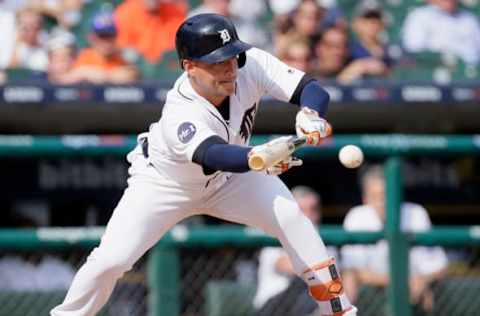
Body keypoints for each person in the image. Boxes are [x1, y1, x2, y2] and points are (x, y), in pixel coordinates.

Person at [51, 14, 357, 316]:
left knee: (291, 216)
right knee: (111, 261)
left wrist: (311, 114)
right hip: (165, 185)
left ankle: (339, 311)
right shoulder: (180, 110)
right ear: (189, 66)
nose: (228, 68)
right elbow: (213, 154)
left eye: (231, 57)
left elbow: (312, 89)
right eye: (216, 62)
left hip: (231, 178)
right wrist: (259, 155)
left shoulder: (249, 62)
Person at [341, 165, 448, 314]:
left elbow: (440, 267)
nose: (382, 202)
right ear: (365, 198)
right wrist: (400, 283)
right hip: (372, 293)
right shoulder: (356, 216)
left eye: (386, 195)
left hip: (415, 294)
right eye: (375, 197)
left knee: (431, 294)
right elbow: (352, 271)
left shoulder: (416, 213)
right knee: (349, 282)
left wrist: (422, 280)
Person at [254, 186, 339, 316]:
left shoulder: (325, 241)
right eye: (302, 210)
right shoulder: (276, 234)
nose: (309, 215)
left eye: (314, 209)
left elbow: (333, 276)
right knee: (307, 281)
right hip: (272, 308)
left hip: (309, 304)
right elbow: (285, 265)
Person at [402, 0, 480, 65]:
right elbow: (414, 48)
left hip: (467, 73)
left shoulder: (469, 19)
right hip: (431, 70)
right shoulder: (419, 15)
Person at [72, 11, 138, 84]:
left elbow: (132, 74)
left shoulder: (120, 58)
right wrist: (83, 72)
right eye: (102, 36)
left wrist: (102, 75)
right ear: (92, 38)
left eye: (109, 36)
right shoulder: (84, 57)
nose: (106, 42)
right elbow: (68, 78)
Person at [114, 0, 188, 63]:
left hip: (167, 65)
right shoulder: (126, 12)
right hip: (136, 67)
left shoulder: (175, 12)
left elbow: (176, 45)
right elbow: (122, 47)